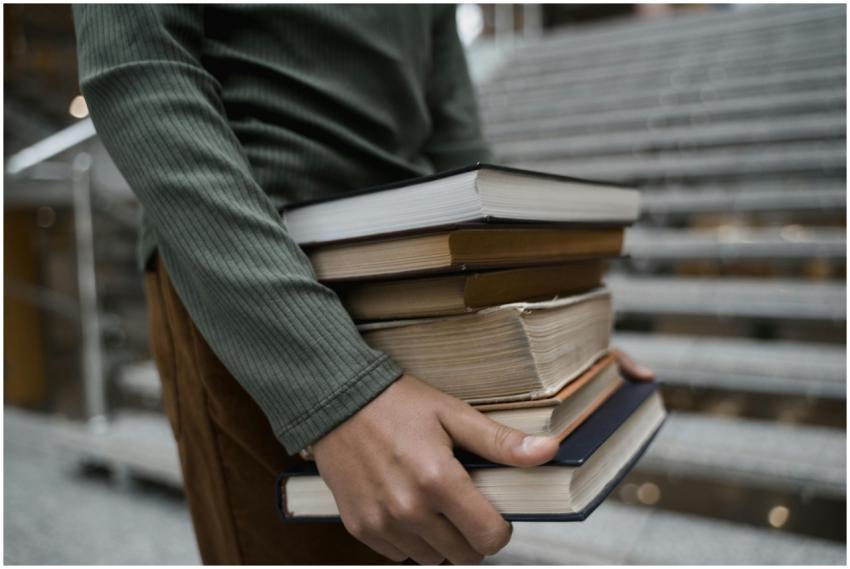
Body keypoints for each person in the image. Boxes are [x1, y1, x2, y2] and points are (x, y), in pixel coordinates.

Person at [73, 5, 655, 565]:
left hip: (415, 274)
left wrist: (555, 330)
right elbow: (141, 70)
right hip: (255, 272)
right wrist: (334, 388)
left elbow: (453, 130)